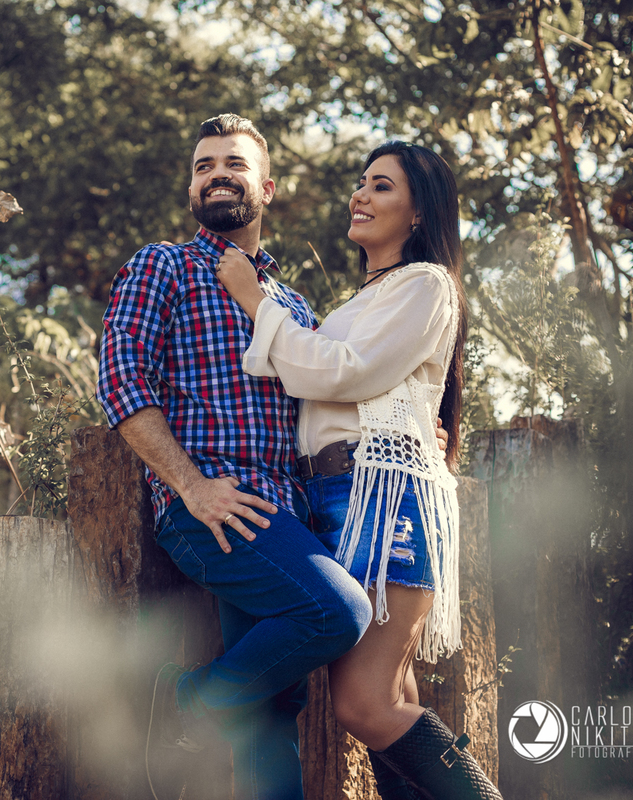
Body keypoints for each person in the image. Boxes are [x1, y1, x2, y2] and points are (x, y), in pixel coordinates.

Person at [97, 113, 372, 800]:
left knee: (271, 715)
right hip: (212, 510)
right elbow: (120, 379)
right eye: (203, 166)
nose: (216, 174)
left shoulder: (293, 308)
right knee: (339, 613)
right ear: (193, 189)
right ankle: (184, 702)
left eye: (234, 164)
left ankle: (200, 711)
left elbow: (328, 401)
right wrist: (192, 488)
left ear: (267, 187)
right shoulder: (162, 264)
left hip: (288, 515)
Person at [216, 141, 502, 799]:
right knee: (389, 701)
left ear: (419, 215)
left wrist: (257, 303)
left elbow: (343, 372)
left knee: (364, 705)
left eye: (381, 186)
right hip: (336, 493)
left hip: (382, 491)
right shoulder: (356, 304)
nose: (361, 195)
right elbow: (328, 377)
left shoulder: (426, 283)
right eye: (362, 183)